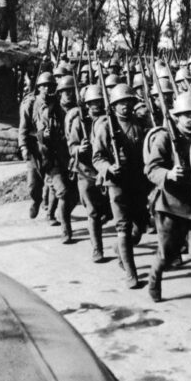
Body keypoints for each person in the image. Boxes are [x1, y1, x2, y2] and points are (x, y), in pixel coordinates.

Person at [144, 91, 191, 302]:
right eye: (185, 115)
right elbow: (151, 169)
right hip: (171, 205)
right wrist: (168, 174)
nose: (190, 119)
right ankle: (154, 279)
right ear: (176, 116)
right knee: (167, 254)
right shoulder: (165, 137)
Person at [92, 84, 148, 289]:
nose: (125, 106)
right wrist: (108, 168)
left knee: (139, 226)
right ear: (113, 105)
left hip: (137, 181)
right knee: (123, 227)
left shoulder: (139, 124)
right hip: (116, 183)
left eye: (128, 102)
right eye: (120, 103)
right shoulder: (106, 127)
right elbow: (97, 157)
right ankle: (131, 274)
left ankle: (121, 250)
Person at [66, 84, 108, 262]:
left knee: (108, 210)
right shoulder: (79, 122)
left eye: (99, 102)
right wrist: (78, 149)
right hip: (85, 171)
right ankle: (97, 249)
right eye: (92, 103)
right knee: (93, 212)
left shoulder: (108, 122)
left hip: (104, 171)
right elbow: (71, 147)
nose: (96, 106)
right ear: (87, 104)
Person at [37, 75, 76, 243]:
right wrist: (44, 136)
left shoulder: (79, 111)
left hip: (74, 159)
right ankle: (66, 231)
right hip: (54, 159)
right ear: (59, 93)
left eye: (71, 91)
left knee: (72, 195)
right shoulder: (50, 112)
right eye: (65, 91)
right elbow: (40, 134)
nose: (68, 94)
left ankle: (52, 212)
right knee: (64, 193)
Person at [19, 71, 53, 219]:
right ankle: (35, 200)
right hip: (34, 145)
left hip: (50, 146)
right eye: (44, 86)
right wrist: (24, 147)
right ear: (38, 87)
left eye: (50, 86)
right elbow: (23, 128)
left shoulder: (54, 103)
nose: (47, 89)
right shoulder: (30, 103)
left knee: (52, 180)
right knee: (33, 182)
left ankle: (49, 208)